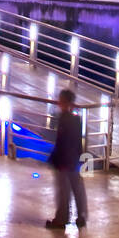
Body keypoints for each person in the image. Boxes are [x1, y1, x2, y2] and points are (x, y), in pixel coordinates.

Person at [46, 88, 87, 229]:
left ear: (65, 102)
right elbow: (77, 142)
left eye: (61, 100)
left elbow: (61, 141)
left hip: (65, 160)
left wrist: (57, 159)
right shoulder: (76, 119)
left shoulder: (64, 119)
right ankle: (81, 216)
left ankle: (62, 219)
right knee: (77, 188)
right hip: (74, 159)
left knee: (63, 191)